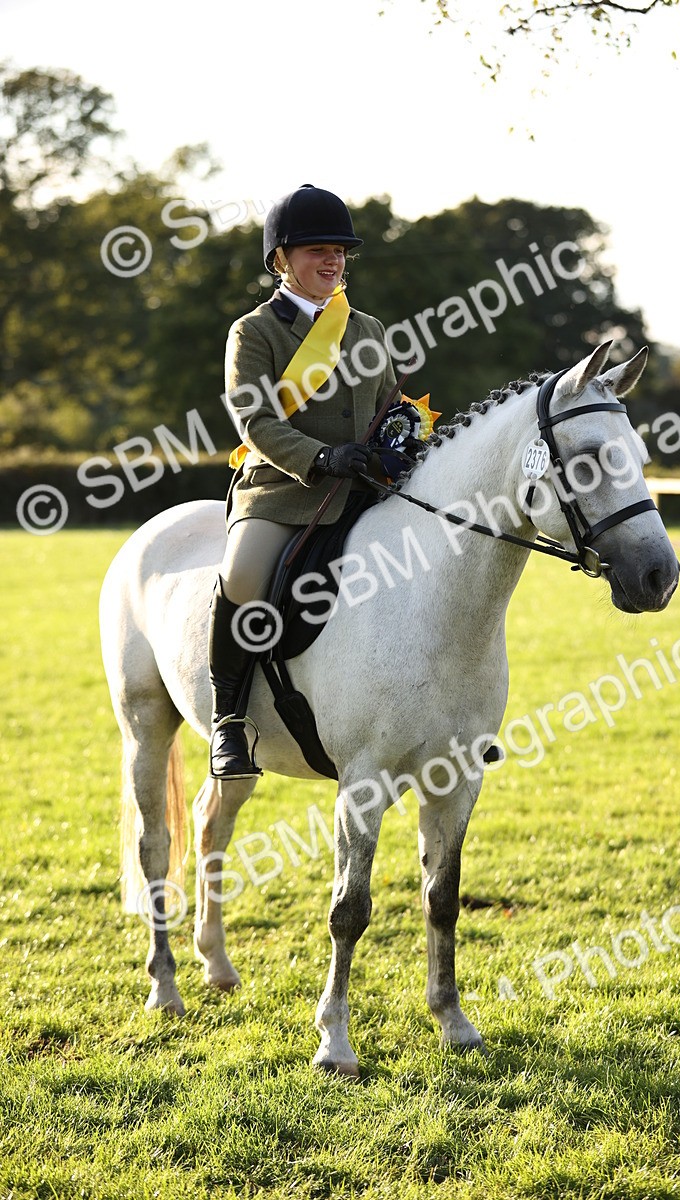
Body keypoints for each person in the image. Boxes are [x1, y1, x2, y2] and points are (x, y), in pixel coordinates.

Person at [208, 184, 399, 780]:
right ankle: (229, 722)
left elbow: (391, 404)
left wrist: (403, 441)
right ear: (281, 261)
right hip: (283, 488)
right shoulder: (255, 332)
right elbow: (256, 419)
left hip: (363, 489)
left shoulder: (364, 328)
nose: (333, 261)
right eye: (317, 249)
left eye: (340, 251)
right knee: (242, 575)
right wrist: (319, 459)